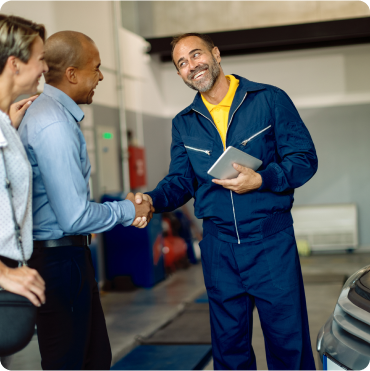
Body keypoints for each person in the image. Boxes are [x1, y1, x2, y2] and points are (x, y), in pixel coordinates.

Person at [135, 33, 318, 370]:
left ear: (215, 54)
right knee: (229, 350)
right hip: (219, 248)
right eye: (182, 63)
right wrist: (151, 199)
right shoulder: (184, 123)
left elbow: (305, 159)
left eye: (196, 55)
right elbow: (180, 182)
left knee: (288, 345)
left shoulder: (268, 100)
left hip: (270, 242)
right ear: (179, 74)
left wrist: (262, 179)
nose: (192, 65)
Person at [18, 31, 153, 371]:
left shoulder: (49, 115)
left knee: (93, 359)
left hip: (63, 257)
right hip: (60, 260)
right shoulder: (53, 123)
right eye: (97, 68)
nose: (102, 77)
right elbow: (74, 217)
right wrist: (129, 210)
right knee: (72, 363)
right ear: (73, 74)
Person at [0, 14, 47, 370]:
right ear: (15, 64)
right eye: (40, 58)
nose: (46, 67)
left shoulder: (4, 123)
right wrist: (3, 274)